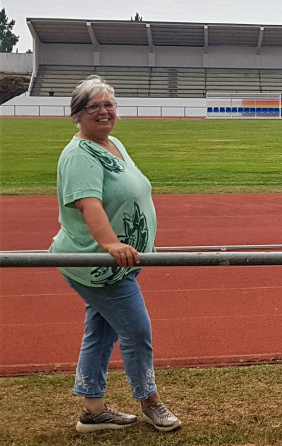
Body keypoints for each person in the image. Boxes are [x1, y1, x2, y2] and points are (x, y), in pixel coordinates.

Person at [50, 75, 182, 433]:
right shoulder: (79, 154)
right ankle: (151, 402)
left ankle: (93, 410)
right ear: (77, 114)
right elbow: (88, 203)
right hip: (98, 265)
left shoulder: (113, 144)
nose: (104, 111)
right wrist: (111, 245)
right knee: (137, 331)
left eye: (109, 104)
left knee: (101, 330)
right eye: (94, 106)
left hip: (120, 263)